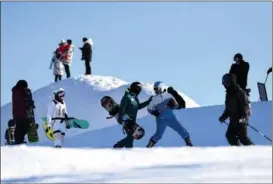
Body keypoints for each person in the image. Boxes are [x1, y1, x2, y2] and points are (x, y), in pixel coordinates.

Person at [146, 81, 193, 148]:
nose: (155, 90)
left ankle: (189, 143)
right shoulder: (154, 99)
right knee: (158, 135)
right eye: (155, 89)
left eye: (157, 88)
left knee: (181, 129)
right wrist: (154, 112)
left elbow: (176, 106)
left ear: (161, 88)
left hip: (171, 118)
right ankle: (149, 146)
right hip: (161, 120)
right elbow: (149, 108)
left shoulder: (168, 95)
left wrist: (173, 104)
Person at [113, 82, 152, 148]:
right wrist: (120, 119)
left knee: (135, 135)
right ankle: (126, 151)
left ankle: (118, 146)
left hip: (132, 120)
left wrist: (148, 102)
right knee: (132, 136)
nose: (140, 90)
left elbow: (138, 107)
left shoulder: (135, 98)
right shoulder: (127, 96)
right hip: (126, 120)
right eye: (139, 89)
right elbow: (122, 108)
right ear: (135, 88)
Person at [219, 73, 254, 146]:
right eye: (224, 83)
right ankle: (238, 151)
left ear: (231, 81)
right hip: (233, 120)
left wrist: (243, 119)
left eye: (226, 83)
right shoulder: (228, 94)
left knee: (243, 138)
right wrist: (223, 117)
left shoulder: (240, 93)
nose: (225, 85)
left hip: (241, 120)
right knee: (230, 136)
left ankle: (256, 152)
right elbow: (228, 109)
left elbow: (245, 107)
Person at [12, 80, 36, 144]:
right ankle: (19, 141)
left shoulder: (15, 92)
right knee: (24, 127)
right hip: (23, 114)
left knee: (19, 128)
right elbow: (27, 102)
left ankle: (19, 140)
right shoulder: (24, 92)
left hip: (17, 114)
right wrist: (31, 104)